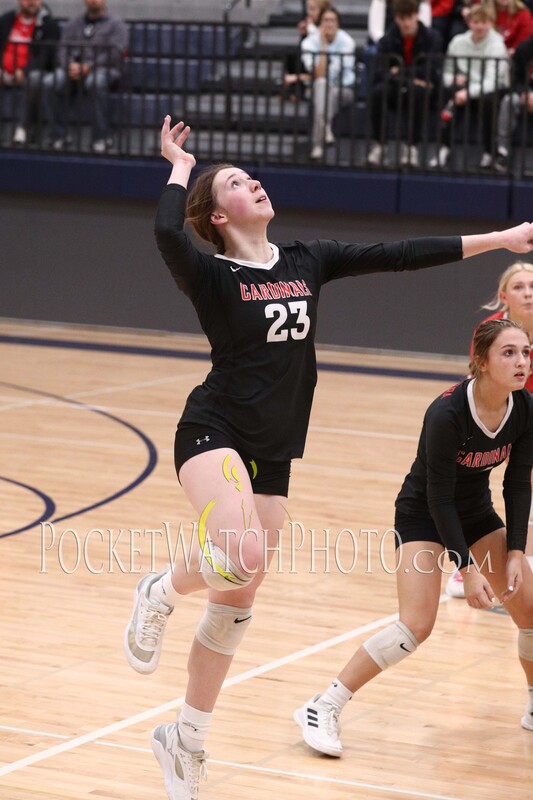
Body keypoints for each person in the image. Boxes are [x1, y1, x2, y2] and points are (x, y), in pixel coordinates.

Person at [122, 114, 533, 799]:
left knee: (234, 601)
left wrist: (495, 239)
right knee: (240, 554)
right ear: (217, 214)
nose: (251, 181)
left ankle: (185, 737)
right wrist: (176, 165)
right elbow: (167, 231)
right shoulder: (211, 272)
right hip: (213, 429)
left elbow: (398, 254)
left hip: (274, 450)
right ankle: (157, 592)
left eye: (249, 175)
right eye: (234, 182)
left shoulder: (306, 259)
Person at [294, 317, 533, 757]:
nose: (521, 362)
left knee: (531, 607)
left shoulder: (525, 407)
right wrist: (466, 567)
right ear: (480, 361)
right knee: (416, 625)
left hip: (475, 511)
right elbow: (439, 497)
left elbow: (518, 483)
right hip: (423, 512)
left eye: (525, 352)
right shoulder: (446, 413)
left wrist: (515, 550)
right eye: (509, 353)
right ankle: (323, 705)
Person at [447, 262, 533, 597]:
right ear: (503, 296)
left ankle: (519, 558)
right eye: (519, 286)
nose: (528, 293)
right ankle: (464, 565)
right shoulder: (490, 330)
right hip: (499, 414)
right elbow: (481, 382)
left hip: (527, 415)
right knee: (473, 486)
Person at [41, 0, 128, 152]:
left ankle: (100, 137)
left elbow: (115, 53)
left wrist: (90, 66)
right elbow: (62, 49)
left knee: (95, 81)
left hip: (104, 69)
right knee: (50, 82)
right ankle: (59, 135)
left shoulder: (117, 25)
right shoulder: (74, 23)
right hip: (74, 69)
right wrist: (69, 65)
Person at [430, 4, 509, 169]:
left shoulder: (497, 45)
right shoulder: (458, 42)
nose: (479, 26)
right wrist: (453, 80)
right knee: (447, 92)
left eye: (484, 22)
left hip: (488, 90)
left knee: (489, 101)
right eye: (476, 22)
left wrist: (468, 92)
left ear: (491, 23)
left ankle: (489, 152)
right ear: (469, 22)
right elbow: (447, 71)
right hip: (463, 88)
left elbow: (492, 81)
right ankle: (444, 148)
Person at [367, 0, 442, 168]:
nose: (406, 23)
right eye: (402, 18)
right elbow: (380, 72)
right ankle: (379, 145)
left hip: (420, 91)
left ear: (417, 15)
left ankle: (411, 147)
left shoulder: (432, 38)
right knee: (378, 92)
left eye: (410, 17)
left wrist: (399, 72)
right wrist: (410, 76)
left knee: (418, 92)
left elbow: (432, 70)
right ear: (395, 18)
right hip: (395, 87)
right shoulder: (387, 39)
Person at [0, 0, 60, 145]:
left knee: (34, 78)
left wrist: (25, 71)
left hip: (32, 73)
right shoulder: (7, 19)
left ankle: (22, 129)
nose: (32, 2)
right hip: (3, 72)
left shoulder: (49, 24)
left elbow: (47, 55)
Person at [300, 6, 356, 159]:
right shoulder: (309, 43)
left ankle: (318, 144)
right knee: (321, 85)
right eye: (326, 20)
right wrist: (323, 45)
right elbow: (319, 75)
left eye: (332, 20)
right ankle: (325, 130)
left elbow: (333, 74)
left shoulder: (347, 42)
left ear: (338, 24)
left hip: (343, 89)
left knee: (326, 89)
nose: (329, 24)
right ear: (320, 23)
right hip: (316, 88)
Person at [493, 34, 533, 172]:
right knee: (508, 101)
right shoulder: (524, 48)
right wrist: (526, 92)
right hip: (525, 95)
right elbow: (516, 78)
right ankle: (502, 151)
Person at [283, 0, 332, 102]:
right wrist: (304, 33)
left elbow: (320, 39)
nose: (310, 13)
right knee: (292, 55)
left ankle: (298, 82)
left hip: (323, 63)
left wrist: (310, 28)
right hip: (308, 60)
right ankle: (296, 89)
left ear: (322, 11)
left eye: (313, 9)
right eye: (309, 9)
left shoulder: (329, 22)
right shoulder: (311, 24)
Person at [368, 0, 432, 45]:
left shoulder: (423, 2)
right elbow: (376, 31)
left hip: (416, 42)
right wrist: (386, 44)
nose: (406, 22)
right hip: (390, 40)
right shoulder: (380, 2)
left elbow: (425, 27)